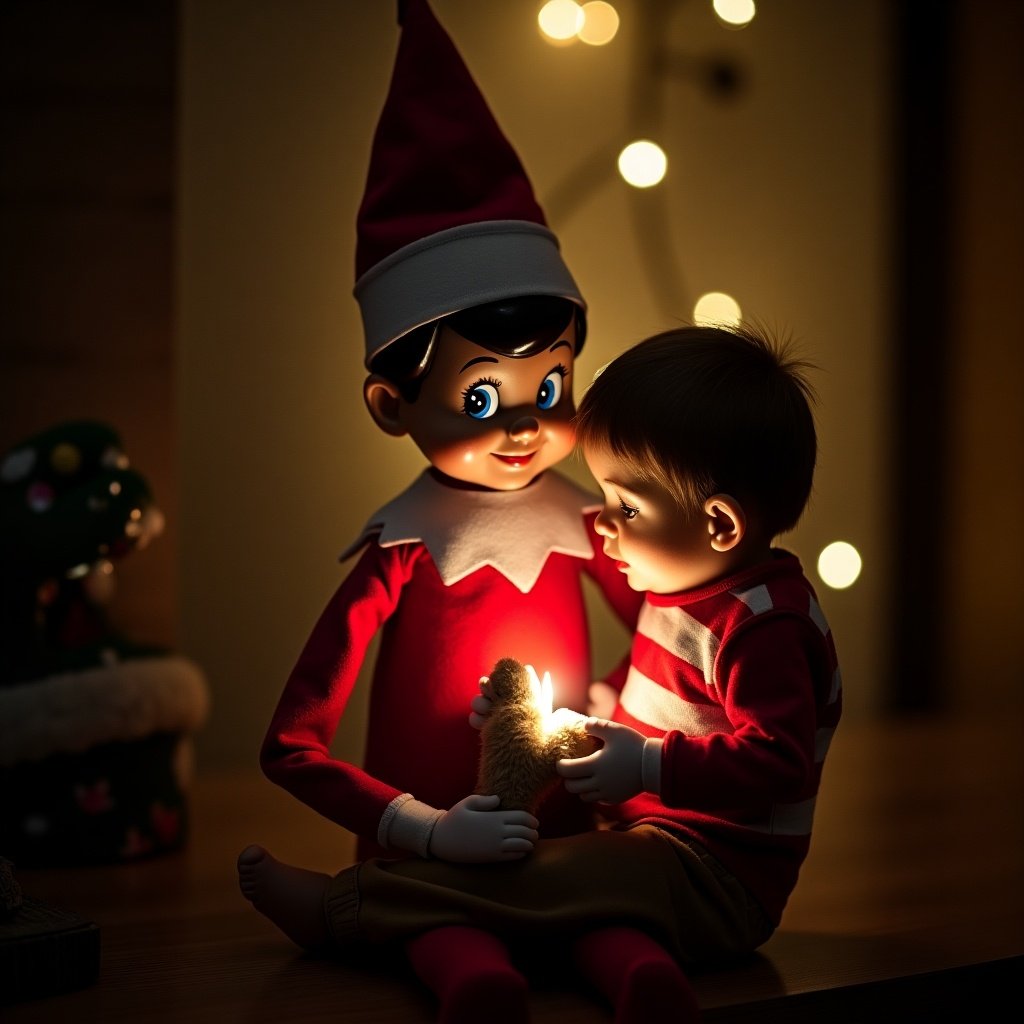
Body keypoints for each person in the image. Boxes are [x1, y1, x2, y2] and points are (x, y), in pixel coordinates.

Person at [239, 323, 844, 1024]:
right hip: (645, 854)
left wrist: (645, 768)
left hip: (716, 880)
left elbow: (780, 763)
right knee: (567, 903)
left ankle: (346, 907)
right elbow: (651, 693)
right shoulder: (687, 591)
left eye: (625, 506)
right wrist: (566, 725)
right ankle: (636, 978)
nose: (604, 525)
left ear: (719, 525)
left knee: (532, 875)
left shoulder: (766, 627)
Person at [239, 3, 643, 1022]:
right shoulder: (400, 555)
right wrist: (420, 827)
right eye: (478, 397)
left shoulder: (594, 529)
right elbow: (292, 745)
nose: (522, 425)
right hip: (426, 859)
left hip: (567, 847)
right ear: (390, 405)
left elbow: (671, 646)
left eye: (550, 386)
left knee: (620, 943)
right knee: (460, 956)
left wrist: (615, 717)